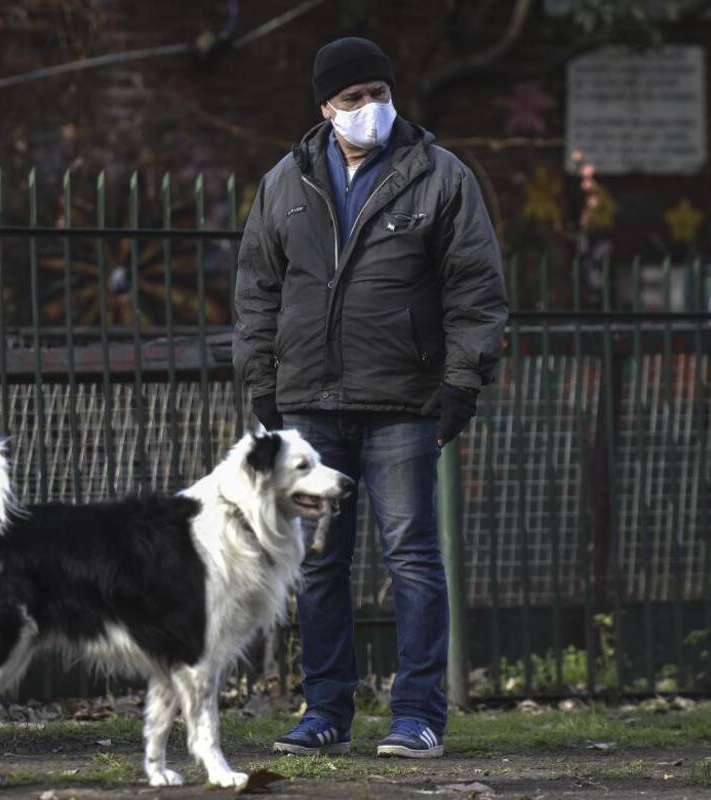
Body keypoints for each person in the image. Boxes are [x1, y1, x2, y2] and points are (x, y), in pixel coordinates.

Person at [232, 36, 507, 759]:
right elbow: (257, 291)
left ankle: (417, 715)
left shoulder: (440, 177)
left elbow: (476, 290)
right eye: (353, 99)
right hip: (310, 403)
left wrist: (460, 381)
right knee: (319, 563)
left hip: (403, 403)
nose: (369, 109)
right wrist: (262, 380)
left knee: (411, 556)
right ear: (325, 107)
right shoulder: (284, 184)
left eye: (379, 94)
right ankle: (324, 710)